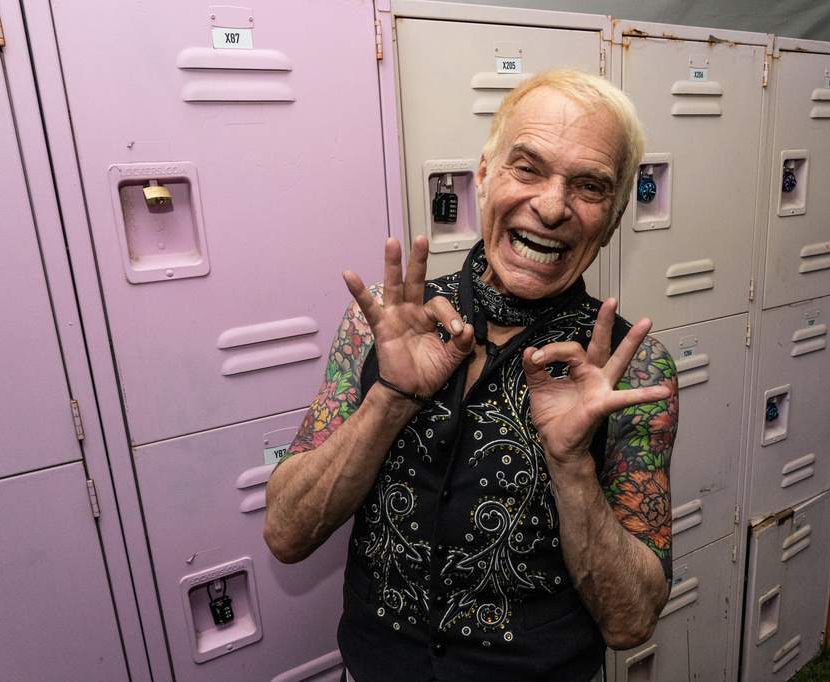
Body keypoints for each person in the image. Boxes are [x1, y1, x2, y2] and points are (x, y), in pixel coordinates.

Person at [264, 69, 678, 682]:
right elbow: (286, 534)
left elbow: (631, 621)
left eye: (589, 186)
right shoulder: (381, 327)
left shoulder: (632, 369)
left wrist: (571, 466)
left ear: (614, 218)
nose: (552, 206)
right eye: (528, 168)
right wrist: (390, 398)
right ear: (484, 176)